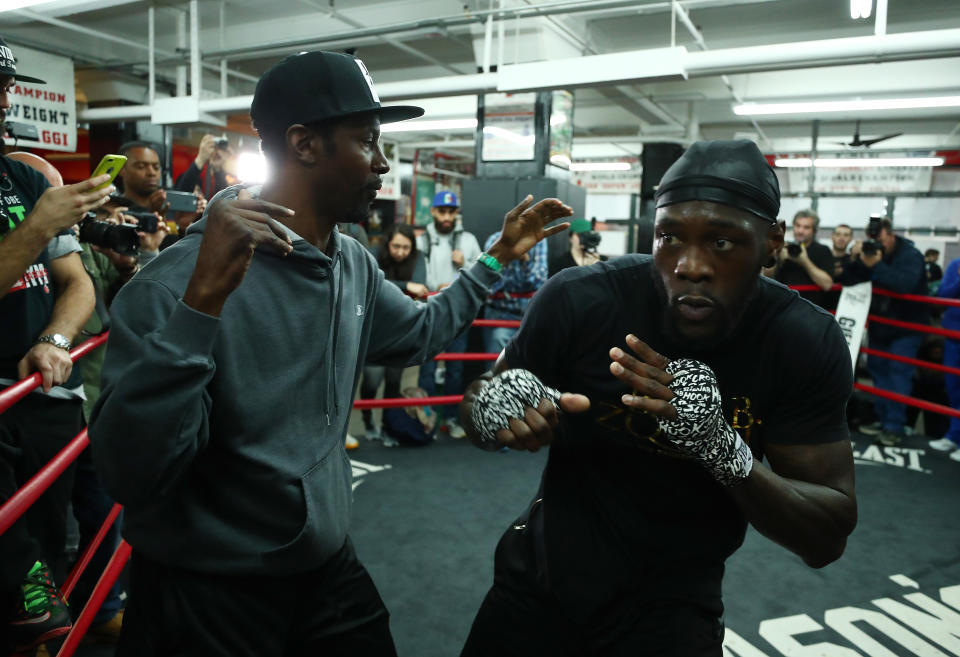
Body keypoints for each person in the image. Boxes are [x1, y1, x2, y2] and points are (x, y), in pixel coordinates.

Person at [88, 50, 571, 657]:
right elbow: (132, 472)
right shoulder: (170, 285)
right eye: (368, 141)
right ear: (306, 145)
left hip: (325, 571)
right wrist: (203, 303)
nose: (383, 162)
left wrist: (498, 256)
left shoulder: (351, 262)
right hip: (208, 593)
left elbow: (421, 334)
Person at [458, 140, 857, 657]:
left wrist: (720, 446)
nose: (690, 265)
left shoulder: (802, 341)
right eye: (669, 236)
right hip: (539, 578)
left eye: (722, 242)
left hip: (673, 607)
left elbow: (826, 537)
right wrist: (493, 406)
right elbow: (477, 409)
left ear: (773, 242)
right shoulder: (581, 299)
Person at [0, 40, 114, 652]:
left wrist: (54, 337)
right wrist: (39, 224)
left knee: (45, 548)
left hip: (39, 393)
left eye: (4, 85)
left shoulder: (20, 176)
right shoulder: (37, 203)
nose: (3, 99)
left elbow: (78, 284)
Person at [839, 216, 928, 446]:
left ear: (889, 233)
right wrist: (856, 258)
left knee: (898, 374)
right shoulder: (871, 254)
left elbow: (904, 285)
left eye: (879, 238)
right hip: (881, 325)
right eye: (872, 239)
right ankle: (884, 419)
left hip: (906, 326)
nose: (877, 243)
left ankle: (894, 427)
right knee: (878, 370)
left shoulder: (910, 255)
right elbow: (848, 279)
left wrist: (877, 265)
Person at [417, 190, 482, 438]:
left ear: (456, 214)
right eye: (441, 211)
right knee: (427, 368)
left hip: (458, 313)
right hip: (431, 312)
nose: (446, 216)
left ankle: (453, 419)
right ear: (433, 211)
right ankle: (427, 420)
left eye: (451, 212)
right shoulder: (423, 240)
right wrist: (439, 288)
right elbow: (419, 276)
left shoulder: (469, 240)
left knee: (455, 368)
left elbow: (481, 276)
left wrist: (464, 264)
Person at [359, 223, 428, 442]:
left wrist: (408, 286)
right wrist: (406, 285)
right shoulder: (373, 254)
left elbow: (421, 285)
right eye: (396, 246)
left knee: (393, 381)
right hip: (375, 328)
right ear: (388, 243)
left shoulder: (419, 258)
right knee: (371, 380)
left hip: (400, 330)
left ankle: (389, 426)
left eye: (406, 247)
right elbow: (372, 283)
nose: (400, 252)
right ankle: (368, 420)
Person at [482, 228, 548, 356]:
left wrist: (524, 261)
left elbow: (539, 282)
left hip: (529, 317)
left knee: (529, 365)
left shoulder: (538, 240)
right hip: (499, 313)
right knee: (497, 363)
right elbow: (488, 284)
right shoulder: (495, 240)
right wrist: (505, 259)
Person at [764, 209, 834, 307]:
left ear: (814, 231)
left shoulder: (823, 250)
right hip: (782, 305)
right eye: (797, 226)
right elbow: (766, 277)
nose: (800, 231)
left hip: (810, 307)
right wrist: (776, 257)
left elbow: (827, 285)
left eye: (806, 227)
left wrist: (804, 261)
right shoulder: (782, 247)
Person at [928, 256, 960, 460]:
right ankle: (954, 436)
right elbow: (944, 294)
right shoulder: (956, 264)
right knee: (953, 389)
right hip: (953, 337)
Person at [174, 134, 235, 200]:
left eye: (219, 147)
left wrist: (218, 169)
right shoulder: (193, 173)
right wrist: (200, 159)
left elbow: (222, 201)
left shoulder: (219, 177)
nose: (215, 151)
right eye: (213, 147)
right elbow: (179, 197)